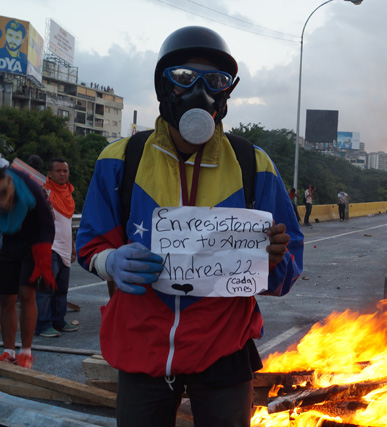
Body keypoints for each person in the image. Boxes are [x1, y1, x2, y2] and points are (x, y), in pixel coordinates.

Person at [75, 26, 303, 427]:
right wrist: (110, 262)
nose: (200, 91)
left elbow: (287, 273)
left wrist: (271, 262)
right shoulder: (120, 159)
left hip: (223, 348)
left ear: (226, 93)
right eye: (184, 78)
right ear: (164, 87)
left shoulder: (255, 165)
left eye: (214, 81)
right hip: (141, 346)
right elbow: (90, 244)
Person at [0, 158, 55, 369]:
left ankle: (26, 352)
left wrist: (44, 254)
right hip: (9, 241)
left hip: (34, 244)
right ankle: (8, 351)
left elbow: (48, 224)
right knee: (6, 297)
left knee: (26, 294)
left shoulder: (29, 187)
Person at [35, 158, 78, 338]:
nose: (62, 174)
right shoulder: (43, 192)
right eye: (58, 171)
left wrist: (73, 247)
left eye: (65, 171)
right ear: (50, 174)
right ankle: (42, 325)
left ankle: (58, 321)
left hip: (65, 248)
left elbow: (67, 223)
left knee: (61, 290)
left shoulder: (68, 194)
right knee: (46, 290)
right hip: (49, 247)